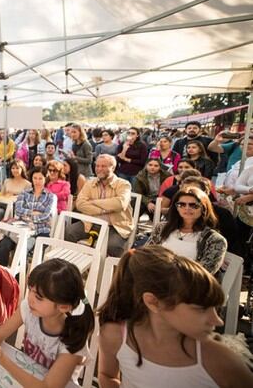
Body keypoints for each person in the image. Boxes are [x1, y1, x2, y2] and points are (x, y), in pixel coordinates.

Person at [97, 246, 252, 388]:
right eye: (201, 309)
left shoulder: (218, 359)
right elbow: (107, 375)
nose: (217, 321)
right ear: (153, 302)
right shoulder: (115, 335)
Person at [0, 259, 93, 387]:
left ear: (63, 307)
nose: (30, 299)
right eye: (30, 290)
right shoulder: (30, 309)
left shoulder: (73, 341)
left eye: (39, 298)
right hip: (28, 374)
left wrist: (2, 360)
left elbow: (46, 386)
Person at [66, 154, 133, 256]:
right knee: (68, 232)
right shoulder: (90, 183)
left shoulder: (123, 184)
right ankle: (72, 264)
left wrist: (93, 202)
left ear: (113, 168)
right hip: (90, 222)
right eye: (97, 166)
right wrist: (104, 210)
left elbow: (120, 204)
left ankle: (114, 271)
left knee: (113, 246)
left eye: (103, 166)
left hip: (114, 226)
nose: (99, 169)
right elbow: (80, 204)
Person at [150, 188, 227, 275]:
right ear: (176, 207)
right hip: (157, 278)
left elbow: (203, 273)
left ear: (204, 208)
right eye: (181, 204)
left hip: (190, 284)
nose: (187, 208)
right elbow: (147, 254)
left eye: (193, 205)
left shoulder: (215, 240)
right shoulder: (161, 228)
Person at [0, 169, 57, 265]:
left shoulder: (51, 197)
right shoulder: (25, 193)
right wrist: (34, 213)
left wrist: (28, 216)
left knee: (23, 250)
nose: (37, 181)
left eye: (40, 178)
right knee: (4, 245)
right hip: (20, 228)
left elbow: (46, 216)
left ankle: (19, 278)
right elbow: (18, 210)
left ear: (45, 179)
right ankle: (0, 274)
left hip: (40, 231)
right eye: (35, 178)